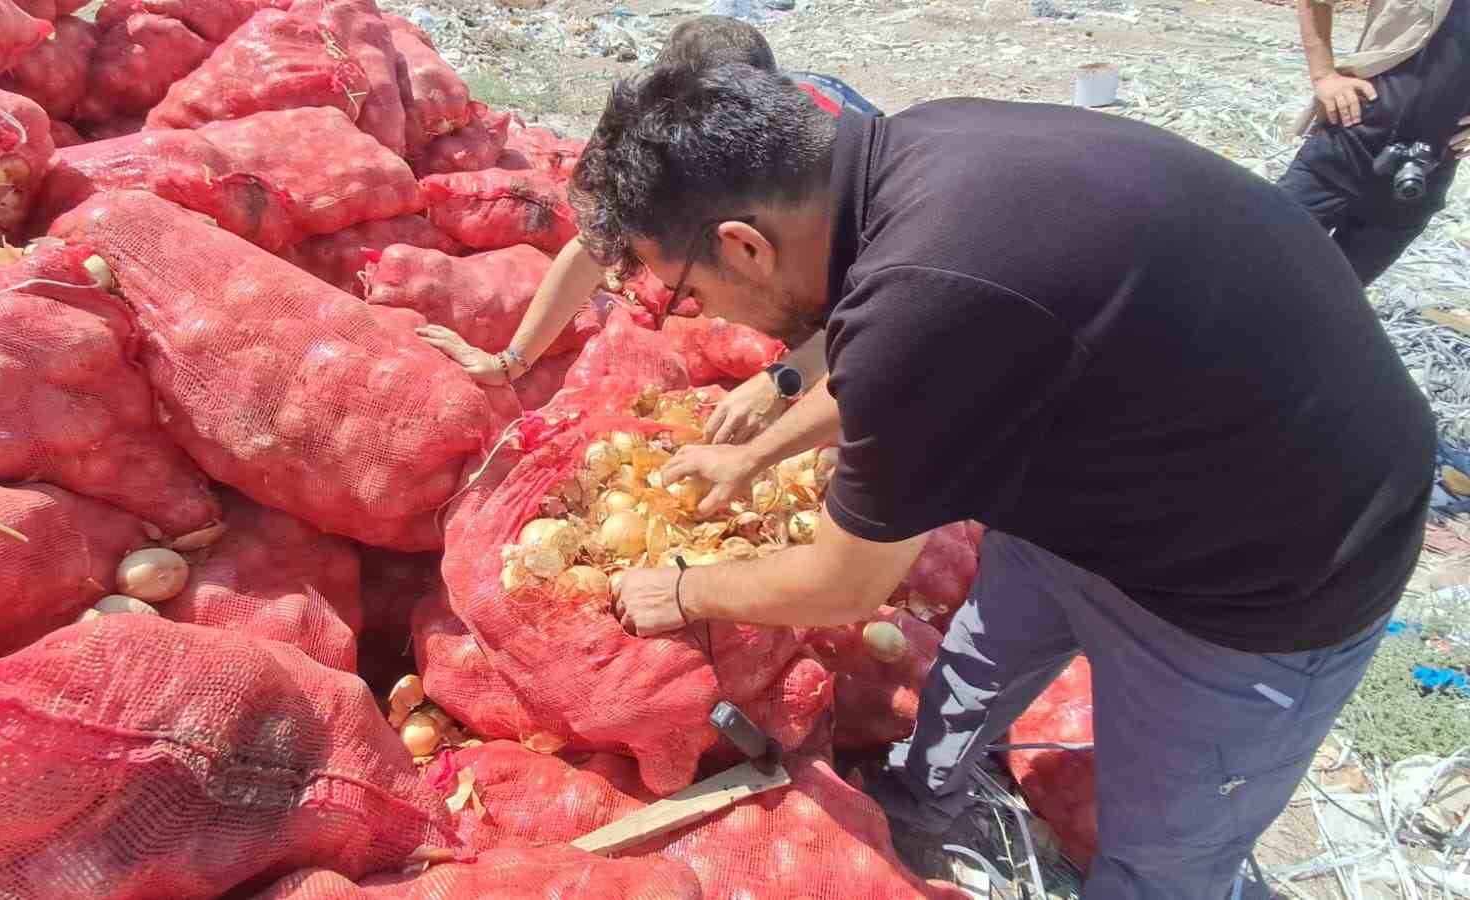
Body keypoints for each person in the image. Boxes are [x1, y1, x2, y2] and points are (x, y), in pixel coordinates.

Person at [585, 64, 1435, 898]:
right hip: (1133, 464)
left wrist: (687, 591)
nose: (701, 316)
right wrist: (752, 456)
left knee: (1168, 854)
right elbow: (904, 352)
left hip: (1274, 560)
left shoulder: (927, 288)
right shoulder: (908, 162)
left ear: (744, 245)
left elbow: (841, 583)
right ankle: (926, 789)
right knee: (985, 653)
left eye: (687, 294)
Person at [415, 14, 878, 445]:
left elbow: (884, 306)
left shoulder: (829, 143)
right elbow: (595, 246)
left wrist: (786, 379)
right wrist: (511, 362)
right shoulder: (649, 138)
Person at [1278, 0, 1470, 285]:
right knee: (1256, 260)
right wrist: (1324, 75)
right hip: (1343, 149)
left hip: (1422, 180)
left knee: (1337, 299)